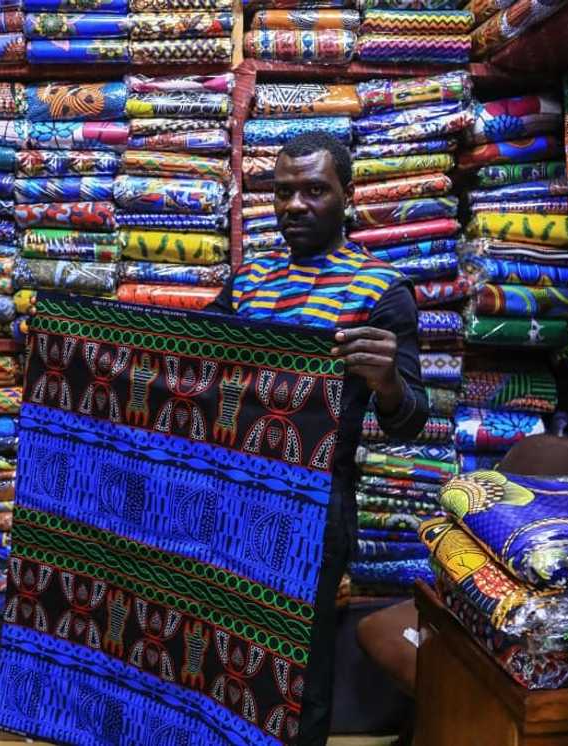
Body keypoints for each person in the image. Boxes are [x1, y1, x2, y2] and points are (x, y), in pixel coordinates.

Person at [206, 131, 429, 743]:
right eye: (283, 193)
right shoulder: (249, 283)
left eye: (313, 190)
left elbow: (409, 420)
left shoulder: (382, 290)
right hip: (238, 498)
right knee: (228, 656)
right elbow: (190, 368)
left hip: (315, 507)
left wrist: (387, 382)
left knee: (298, 674)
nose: (295, 206)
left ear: (346, 195)